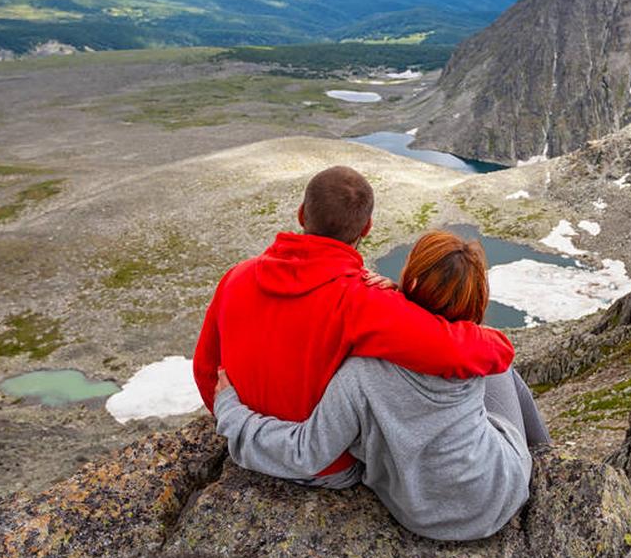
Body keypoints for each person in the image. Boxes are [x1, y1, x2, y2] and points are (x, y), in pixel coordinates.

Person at [213, 230, 552, 541]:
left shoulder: (362, 372)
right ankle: (544, 455)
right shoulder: (478, 353)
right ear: (476, 300)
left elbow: (306, 452)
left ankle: (542, 454)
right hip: (499, 495)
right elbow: (487, 349)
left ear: (413, 281)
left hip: (421, 516)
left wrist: (232, 413)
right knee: (503, 372)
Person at [193, 166, 515, 488]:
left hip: (242, 442)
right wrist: (405, 301)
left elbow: (205, 367)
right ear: (367, 227)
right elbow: (457, 351)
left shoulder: (237, 276)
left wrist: (232, 420)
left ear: (302, 214)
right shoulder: (364, 302)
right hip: (326, 469)